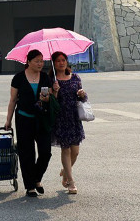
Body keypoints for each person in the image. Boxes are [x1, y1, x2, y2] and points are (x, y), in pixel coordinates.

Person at [4, 49, 59, 198]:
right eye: (37, 61)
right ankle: (30, 187)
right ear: (28, 62)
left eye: (42, 61)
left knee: (45, 152)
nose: (41, 64)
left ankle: (36, 178)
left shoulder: (45, 78)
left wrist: (53, 93)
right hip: (24, 119)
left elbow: (47, 100)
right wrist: (8, 119)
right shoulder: (19, 78)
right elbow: (13, 100)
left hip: (41, 119)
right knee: (26, 153)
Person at [50, 51, 87, 194]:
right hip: (60, 119)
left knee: (75, 152)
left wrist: (82, 94)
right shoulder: (51, 80)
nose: (61, 62)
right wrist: (55, 92)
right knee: (65, 149)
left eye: (63, 60)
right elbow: (50, 102)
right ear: (53, 63)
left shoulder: (75, 77)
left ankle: (65, 170)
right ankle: (71, 182)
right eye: (58, 60)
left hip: (74, 118)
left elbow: (82, 98)